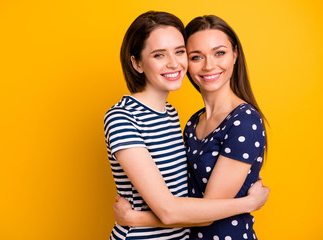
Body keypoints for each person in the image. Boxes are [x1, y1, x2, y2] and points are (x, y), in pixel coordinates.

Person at [105, 11, 269, 240]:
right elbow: (171, 209)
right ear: (137, 63)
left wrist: (135, 216)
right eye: (159, 55)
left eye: (179, 52)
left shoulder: (175, 115)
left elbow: (196, 209)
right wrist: (249, 203)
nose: (174, 63)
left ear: (235, 55)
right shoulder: (129, 117)